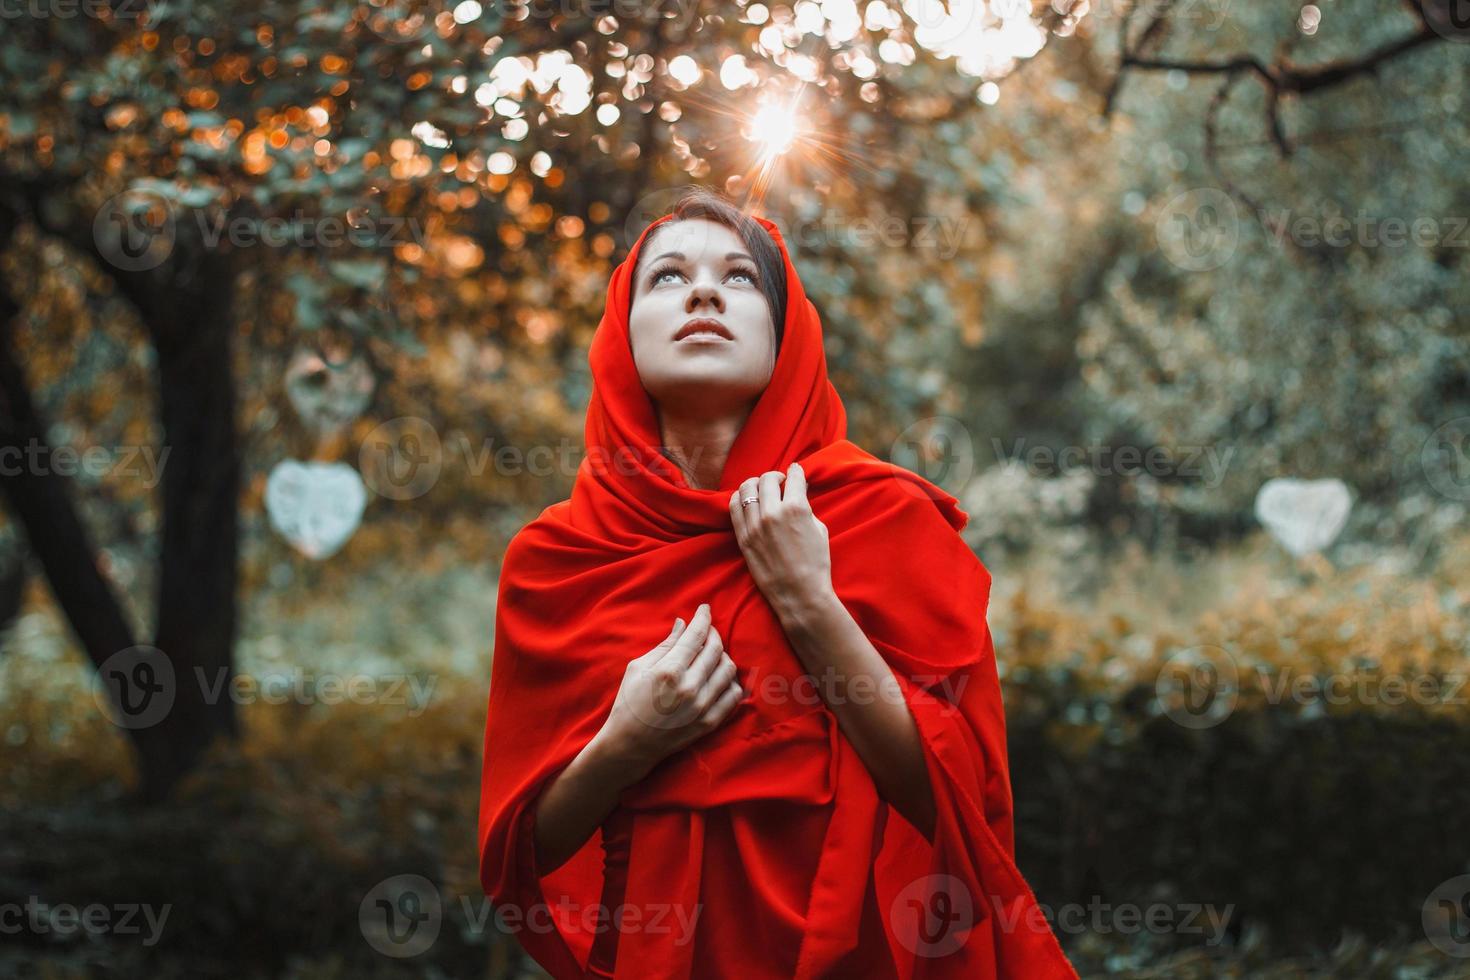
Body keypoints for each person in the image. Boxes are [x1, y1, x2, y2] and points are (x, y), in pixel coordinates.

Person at [477, 188, 1077, 979]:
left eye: (738, 277)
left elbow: (959, 811)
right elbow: (525, 856)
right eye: (666, 277)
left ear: (785, 335)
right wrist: (623, 745)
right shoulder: (560, 558)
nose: (701, 292)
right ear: (620, 337)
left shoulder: (877, 517)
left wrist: (807, 599)